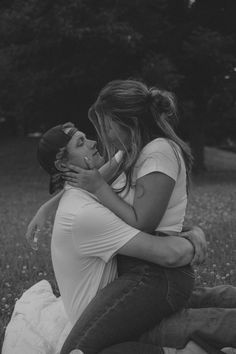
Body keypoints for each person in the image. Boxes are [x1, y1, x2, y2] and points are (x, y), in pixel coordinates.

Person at [34, 122, 199, 354]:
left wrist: (47, 205)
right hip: (99, 314)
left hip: (120, 299)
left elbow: (116, 160)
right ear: (62, 164)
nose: (93, 142)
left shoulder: (86, 191)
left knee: (196, 301)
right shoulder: (83, 211)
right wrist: (194, 240)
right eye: (81, 143)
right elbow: (167, 255)